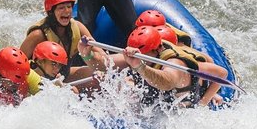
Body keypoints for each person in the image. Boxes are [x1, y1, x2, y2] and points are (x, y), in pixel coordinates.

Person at [78, 26, 227, 107]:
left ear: (157, 50)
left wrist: (205, 100)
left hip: (186, 102)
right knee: (124, 86)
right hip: (160, 101)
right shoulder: (140, 56)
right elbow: (104, 65)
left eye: (143, 55)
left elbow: (166, 82)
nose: (139, 57)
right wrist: (87, 55)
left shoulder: (175, 63)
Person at [20, 0, 101, 83]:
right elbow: (18, 64)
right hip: (40, 81)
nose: (67, 11)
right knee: (74, 90)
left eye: (69, 7)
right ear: (51, 12)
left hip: (64, 75)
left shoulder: (78, 27)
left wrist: (88, 55)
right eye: (61, 8)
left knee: (99, 75)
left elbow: (102, 55)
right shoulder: (38, 34)